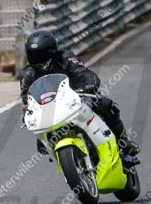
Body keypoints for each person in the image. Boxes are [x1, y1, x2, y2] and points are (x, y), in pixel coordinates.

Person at [20, 30, 141, 159]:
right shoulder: (27, 74)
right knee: (42, 144)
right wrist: (27, 112)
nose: (37, 59)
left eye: (41, 55)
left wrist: (88, 86)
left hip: (78, 99)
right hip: (51, 111)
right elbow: (27, 98)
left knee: (107, 105)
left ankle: (123, 142)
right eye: (33, 55)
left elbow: (83, 72)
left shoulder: (65, 58)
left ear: (52, 51)